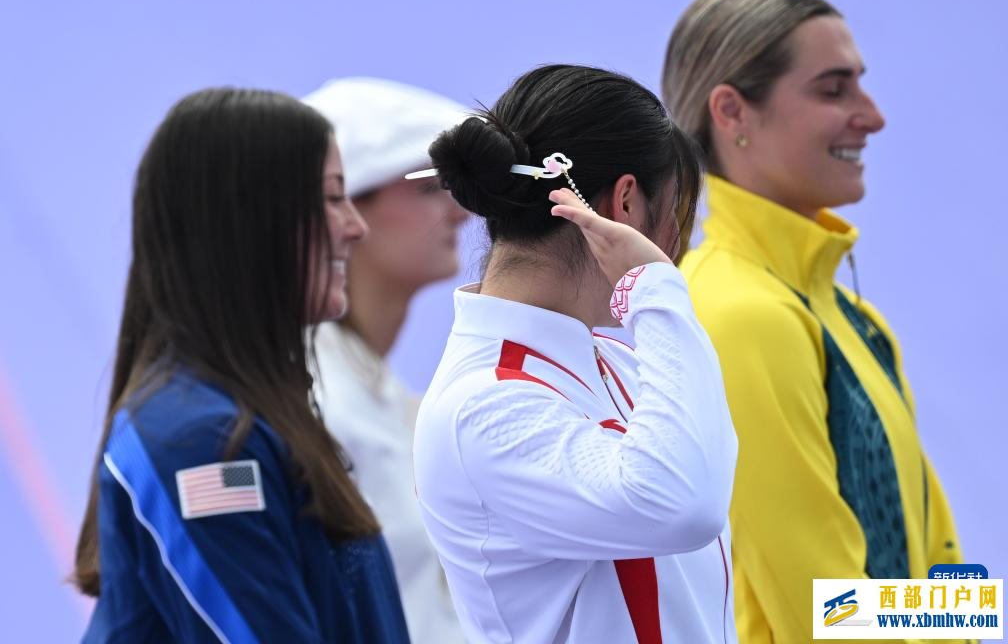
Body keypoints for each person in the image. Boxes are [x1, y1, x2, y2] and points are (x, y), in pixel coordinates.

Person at [662, 0, 965, 643]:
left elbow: (938, 563)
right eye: (834, 90)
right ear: (732, 111)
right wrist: (961, 616)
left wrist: (973, 616)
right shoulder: (738, 313)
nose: (873, 115)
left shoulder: (852, 316)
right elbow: (827, 612)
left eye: (861, 84)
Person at [412, 64, 739, 643]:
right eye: (678, 217)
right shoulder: (484, 405)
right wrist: (655, 288)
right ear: (627, 205)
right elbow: (680, 505)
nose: (678, 249)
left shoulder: (617, 357)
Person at [72, 88, 410, 643]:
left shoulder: (240, 421)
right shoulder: (199, 441)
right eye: (331, 199)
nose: (355, 226)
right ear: (247, 221)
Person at [302, 77, 468, 644]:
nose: (461, 213)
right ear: (345, 210)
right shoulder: (313, 399)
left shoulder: (383, 397)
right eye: (430, 188)